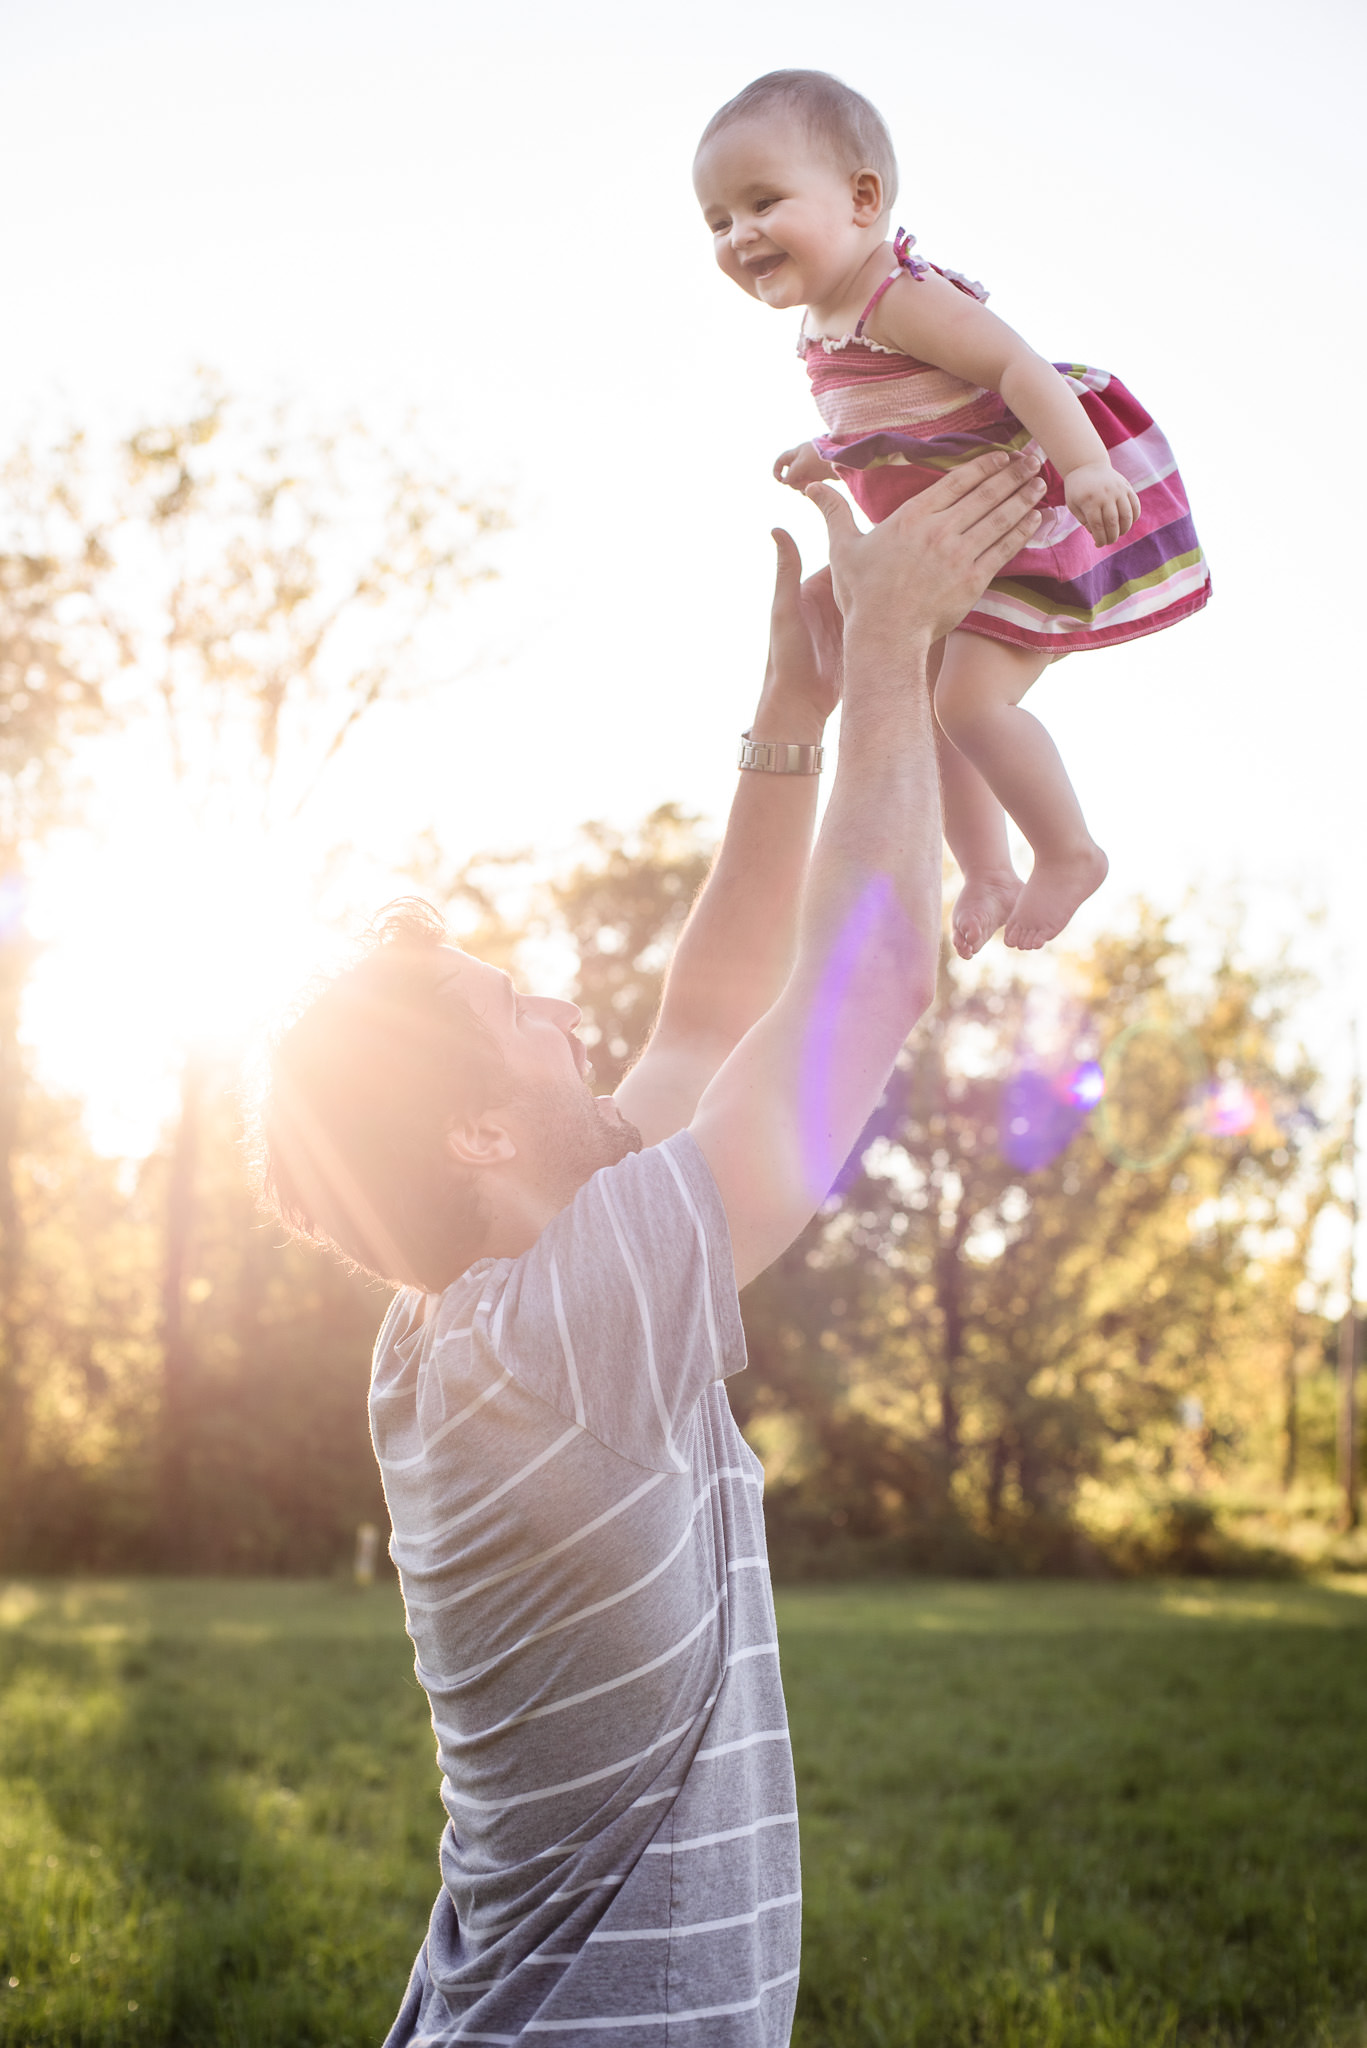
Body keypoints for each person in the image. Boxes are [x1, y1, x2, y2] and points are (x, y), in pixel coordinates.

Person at [258, 449, 1045, 2045]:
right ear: (475, 1134)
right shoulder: (568, 1331)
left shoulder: (475, 1324)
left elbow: (713, 1002)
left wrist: (793, 718)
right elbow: (868, 976)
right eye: (516, 1013)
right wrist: (895, 650)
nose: (562, 1007)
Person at [693, 69, 1212, 960]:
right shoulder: (829, 319)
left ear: (862, 200)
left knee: (968, 702)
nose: (740, 234)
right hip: (949, 547)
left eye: (762, 202)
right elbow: (902, 414)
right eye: (717, 220)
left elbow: (1020, 369)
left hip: (1018, 526)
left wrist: (1084, 464)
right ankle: (986, 869)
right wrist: (832, 448)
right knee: (935, 704)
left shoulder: (899, 298)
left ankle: (1067, 850)